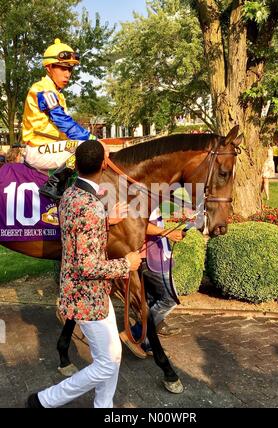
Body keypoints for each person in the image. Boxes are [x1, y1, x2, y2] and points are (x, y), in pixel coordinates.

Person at [26, 140, 141, 408]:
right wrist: (127, 264)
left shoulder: (72, 194)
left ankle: (104, 406)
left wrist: (106, 219)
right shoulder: (89, 205)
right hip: (86, 296)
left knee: (112, 356)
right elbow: (87, 266)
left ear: (75, 165)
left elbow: (78, 226)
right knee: (106, 363)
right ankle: (44, 401)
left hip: (91, 293)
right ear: (104, 164)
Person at [22, 38, 108, 200]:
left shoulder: (56, 93)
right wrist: (92, 138)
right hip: (38, 150)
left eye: (70, 69)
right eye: (62, 68)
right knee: (86, 147)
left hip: (53, 148)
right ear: (49, 68)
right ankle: (54, 183)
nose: (67, 74)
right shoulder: (42, 90)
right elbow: (63, 122)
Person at [120, 208, 183, 359]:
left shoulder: (151, 196)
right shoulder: (140, 197)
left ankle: (146, 342)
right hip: (150, 259)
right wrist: (166, 232)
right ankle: (134, 333)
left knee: (151, 301)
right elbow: (139, 224)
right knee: (170, 299)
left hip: (157, 257)